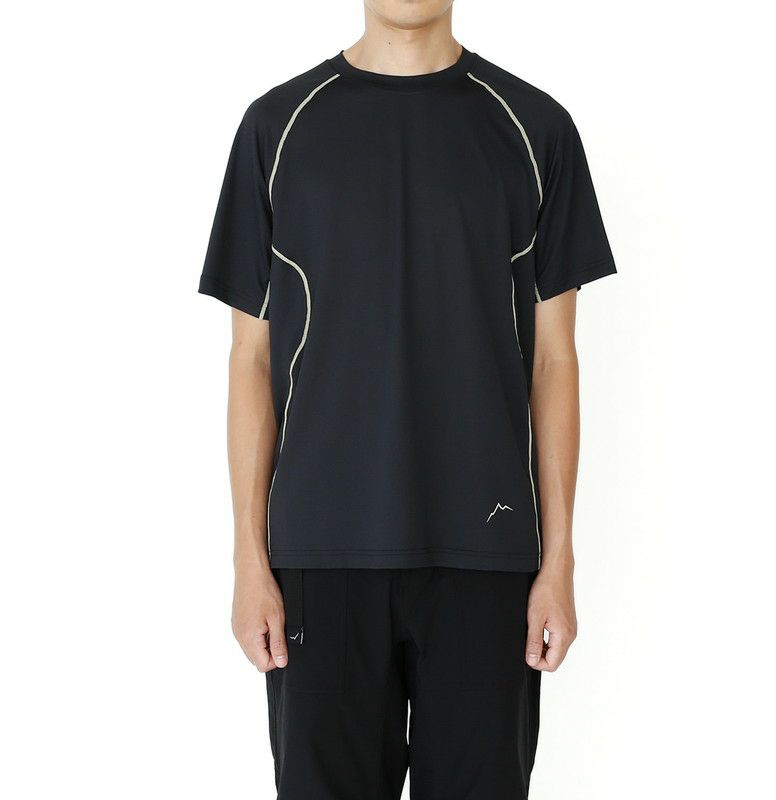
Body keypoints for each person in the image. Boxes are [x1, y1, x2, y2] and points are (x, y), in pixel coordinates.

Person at [199, 1, 615, 796]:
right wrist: (249, 558)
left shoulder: (536, 128)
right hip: (319, 555)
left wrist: (558, 559)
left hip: (485, 553)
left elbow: (555, 359)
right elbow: (248, 359)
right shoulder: (277, 128)